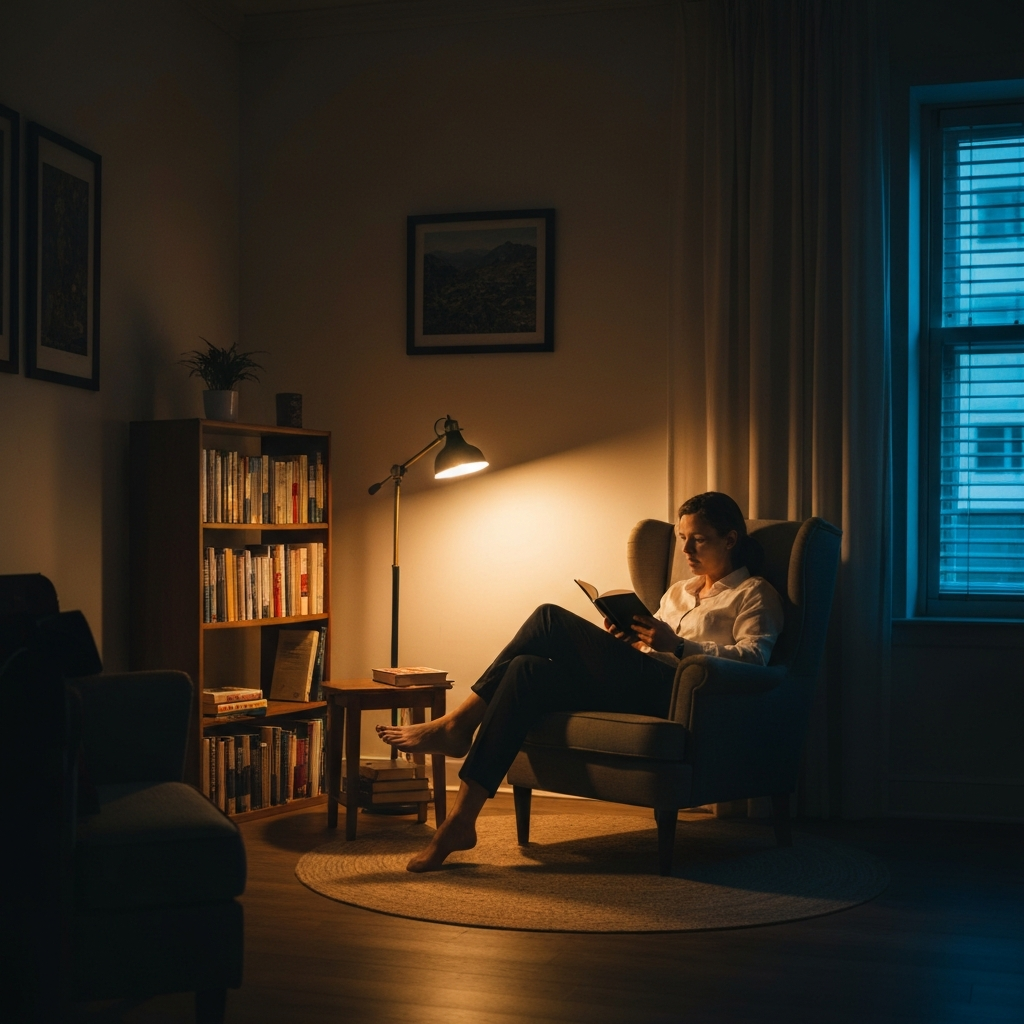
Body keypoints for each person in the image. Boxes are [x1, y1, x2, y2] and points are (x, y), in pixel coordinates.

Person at [376, 491, 784, 872]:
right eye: (681, 538)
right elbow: (651, 648)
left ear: (730, 540)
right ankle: (461, 822)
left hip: (682, 696)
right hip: (640, 680)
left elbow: (756, 660)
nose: (685, 550)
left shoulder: (753, 593)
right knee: (527, 669)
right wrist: (628, 641)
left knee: (548, 618)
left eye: (698, 540)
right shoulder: (678, 591)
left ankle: (457, 725)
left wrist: (679, 646)